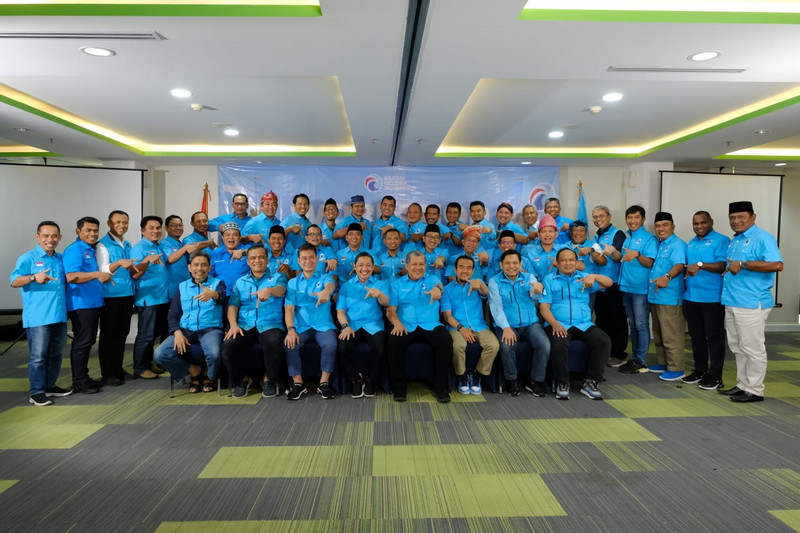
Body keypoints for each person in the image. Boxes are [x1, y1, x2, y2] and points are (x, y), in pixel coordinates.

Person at [719, 201, 783, 403]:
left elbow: (777, 264)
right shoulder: (735, 240)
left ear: (753, 217)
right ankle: (743, 385)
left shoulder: (762, 237)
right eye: (732, 218)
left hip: (751, 302)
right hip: (732, 300)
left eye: (741, 217)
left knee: (752, 347)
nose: (736, 221)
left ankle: (755, 389)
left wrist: (744, 264)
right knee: (737, 346)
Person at [539, 248, 612, 400]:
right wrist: (554, 324)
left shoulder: (584, 277)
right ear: (557, 263)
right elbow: (544, 307)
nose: (568, 263)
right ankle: (562, 382)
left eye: (571, 260)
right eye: (564, 260)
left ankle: (591, 382)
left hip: (583, 324)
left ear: (576, 262)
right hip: (559, 323)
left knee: (603, 341)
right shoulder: (549, 280)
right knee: (559, 343)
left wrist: (594, 276)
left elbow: (608, 283)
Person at [11, 221, 70, 406]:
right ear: (37, 237)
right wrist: (33, 277)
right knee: (38, 357)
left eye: (54, 236)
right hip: (38, 318)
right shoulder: (28, 258)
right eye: (45, 236)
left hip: (59, 315)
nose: (50, 239)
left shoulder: (60, 258)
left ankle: (50, 386)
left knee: (56, 354)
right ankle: (36, 392)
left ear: (59, 237)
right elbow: (14, 281)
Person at [386, 250, 453, 403]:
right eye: (414, 264)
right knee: (394, 342)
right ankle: (399, 388)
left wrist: (437, 290)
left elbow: (438, 287)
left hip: (430, 324)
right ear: (407, 266)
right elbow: (390, 310)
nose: (418, 267)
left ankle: (440, 387)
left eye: (421, 264)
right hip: (405, 324)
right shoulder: (396, 285)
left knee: (446, 341)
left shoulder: (432, 279)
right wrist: (397, 323)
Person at [154, 251, 226, 393]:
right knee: (160, 353)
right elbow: (173, 315)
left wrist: (214, 294)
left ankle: (209, 375)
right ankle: (193, 370)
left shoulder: (218, 284)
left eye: (203, 265)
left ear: (209, 268)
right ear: (189, 268)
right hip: (186, 330)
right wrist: (177, 332)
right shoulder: (182, 287)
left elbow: (223, 299)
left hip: (210, 329)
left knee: (214, 354)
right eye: (196, 265)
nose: (199, 268)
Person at [222, 245, 287, 398]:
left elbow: (281, 290)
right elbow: (233, 306)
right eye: (253, 258)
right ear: (248, 261)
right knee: (228, 347)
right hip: (245, 324)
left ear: (267, 260)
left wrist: (270, 290)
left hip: (270, 323)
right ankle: (242, 380)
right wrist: (233, 325)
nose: (257, 260)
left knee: (274, 342)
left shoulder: (278, 277)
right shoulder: (240, 282)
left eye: (261, 257)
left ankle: (269, 380)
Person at [488, 249, 550, 396]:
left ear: (520, 264)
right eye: (507, 263)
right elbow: (496, 308)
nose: (511, 266)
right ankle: (512, 380)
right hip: (507, 324)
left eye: (515, 263)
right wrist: (506, 328)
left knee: (544, 344)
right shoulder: (494, 281)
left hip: (530, 324)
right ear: (501, 265)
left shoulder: (529, 277)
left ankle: (535, 380)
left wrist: (538, 289)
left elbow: (537, 296)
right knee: (506, 346)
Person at [63, 216, 112, 394]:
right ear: (78, 232)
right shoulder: (75, 249)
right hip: (81, 304)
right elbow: (71, 276)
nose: (92, 234)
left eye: (95, 230)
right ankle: (79, 381)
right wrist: (98, 274)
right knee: (83, 342)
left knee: (88, 341)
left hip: (92, 303)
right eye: (88, 230)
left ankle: (83, 377)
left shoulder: (90, 249)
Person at [683, 211, 730, 390]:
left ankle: (715, 376)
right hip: (691, 297)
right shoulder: (691, 243)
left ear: (711, 222)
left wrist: (701, 265)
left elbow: (723, 265)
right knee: (696, 337)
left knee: (714, 338)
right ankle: (700, 371)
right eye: (696, 223)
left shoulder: (721, 240)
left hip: (712, 298)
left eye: (703, 222)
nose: (699, 226)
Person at [284, 243, 337, 400]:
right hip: (301, 326)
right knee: (289, 343)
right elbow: (289, 309)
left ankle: (324, 383)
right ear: (299, 261)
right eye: (304, 258)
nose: (308, 261)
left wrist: (326, 292)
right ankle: (298, 383)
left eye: (311, 258)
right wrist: (290, 330)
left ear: (317, 259)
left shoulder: (325, 277)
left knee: (331, 344)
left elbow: (330, 286)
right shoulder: (292, 283)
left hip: (323, 325)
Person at [441, 255, 499, 395]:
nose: (465, 270)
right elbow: (447, 316)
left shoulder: (477, 284)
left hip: (479, 325)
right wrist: (461, 329)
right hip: (456, 326)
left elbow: (486, 293)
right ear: (455, 269)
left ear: (473, 271)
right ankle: (462, 376)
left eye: (469, 268)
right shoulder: (447, 289)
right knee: (457, 346)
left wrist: (481, 284)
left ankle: (477, 374)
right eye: (461, 267)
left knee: (493, 345)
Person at [337, 252, 389, 398]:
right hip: (352, 325)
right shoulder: (346, 286)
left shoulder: (380, 284)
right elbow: (340, 311)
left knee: (380, 347)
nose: (364, 269)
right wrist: (345, 326)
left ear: (373, 267)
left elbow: (386, 303)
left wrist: (379, 294)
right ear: (354, 266)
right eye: (360, 265)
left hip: (374, 324)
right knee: (342, 347)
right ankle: (356, 380)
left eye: (368, 265)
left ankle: (371, 381)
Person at [95, 210, 138, 386]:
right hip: (110, 296)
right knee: (109, 335)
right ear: (109, 224)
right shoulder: (102, 245)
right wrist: (119, 263)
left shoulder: (126, 244)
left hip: (127, 294)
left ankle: (118, 369)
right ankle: (108, 373)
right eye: (118, 222)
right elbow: (102, 270)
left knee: (122, 334)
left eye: (125, 222)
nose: (122, 225)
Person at [647, 212, 687, 381]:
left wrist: (667, 277)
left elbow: (679, 265)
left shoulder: (678, 244)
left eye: (665, 225)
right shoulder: (660, 244)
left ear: (673, 226)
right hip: (656, 296)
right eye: (658, 226)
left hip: (670, 298)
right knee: (658, 333)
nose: (661, 229)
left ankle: (676, 369)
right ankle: (663, 363)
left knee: (672, 335)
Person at [617, 205, 657, 374]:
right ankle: (635, 358)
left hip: (640, 288)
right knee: (632, 325)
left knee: (641, 325)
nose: (632, 221)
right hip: (626, 286)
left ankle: (641, 360)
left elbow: (650, 262)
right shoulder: (628, 237)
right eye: (629, 217)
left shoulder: (649, 239)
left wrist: (638, 255)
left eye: (636, 217)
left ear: (643, 219)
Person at [130, 216, 170, 379]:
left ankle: (148, 363)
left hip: (162, 298)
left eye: (158, 228)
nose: (156, 231)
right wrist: (146, 260)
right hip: (149, 299)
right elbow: (135, 274)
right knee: (146, 335)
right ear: (142, 230)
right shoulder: (139, 248)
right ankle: (140, 368)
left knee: (155, 334)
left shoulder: (158, 246)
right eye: (151, 228)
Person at [590, 206, 628, 368]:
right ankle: (606, 352)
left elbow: (619, 255)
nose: (598, 219)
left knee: (617, 320)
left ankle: (619, 354)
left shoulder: (617, 234)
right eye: (595, 217)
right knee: (602, 320)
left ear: (609, 216)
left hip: (613, 285)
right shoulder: (596, 235)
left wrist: (612, 251)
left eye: (601, 216)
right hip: (599, 286)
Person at [209, 222, 250, 296]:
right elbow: (210, 276)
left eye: (235, 234)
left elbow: (261, 253)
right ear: (222, 237)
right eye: (227, 234)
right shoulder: (215, 253)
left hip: (244, 295)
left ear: (240, 237)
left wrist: (243, 252)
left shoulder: (247, 249)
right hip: (222, 296)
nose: (231, 237)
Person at [522, 214, 565, 282]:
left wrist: (562, 263)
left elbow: (577, 267)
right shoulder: (531, 254)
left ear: (556, 234)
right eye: (544, 231)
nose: (547, 234)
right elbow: (531, 276)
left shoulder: (565, 251)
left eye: (550, 231)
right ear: (539, 235)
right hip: (538, 287)